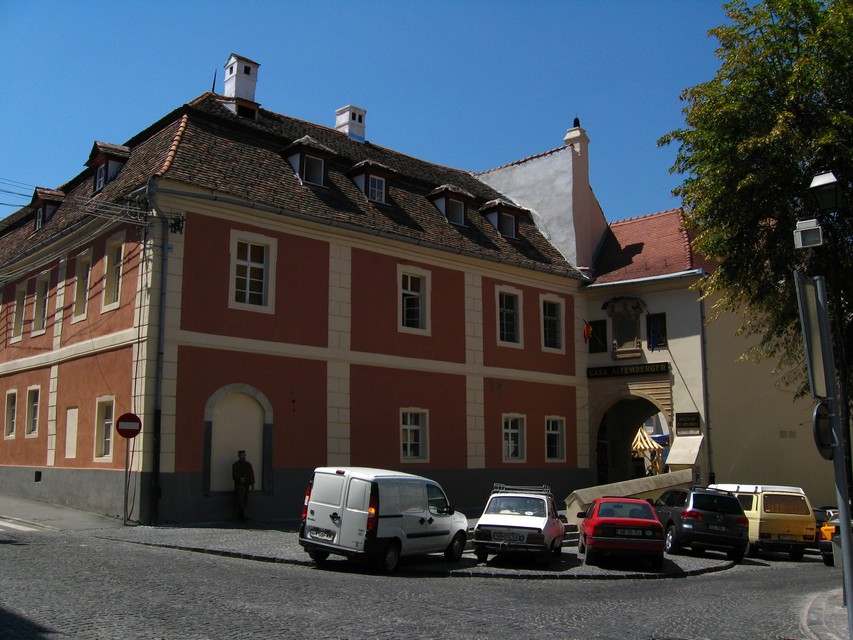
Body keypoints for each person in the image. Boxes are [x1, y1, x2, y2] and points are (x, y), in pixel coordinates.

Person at [232, 450, 255, 521]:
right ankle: (242, 516)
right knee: (240, 499)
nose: (244, 456)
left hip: (246, 484)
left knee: (245, 499)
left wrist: (252, 484)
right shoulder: (235, 465)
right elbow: (234, 475)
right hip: (239, 485)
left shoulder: (248, 465)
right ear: (239, 456)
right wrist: (239, 478)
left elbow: (251, 474)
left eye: (244, 455)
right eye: (242, 455)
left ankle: (241, 516)